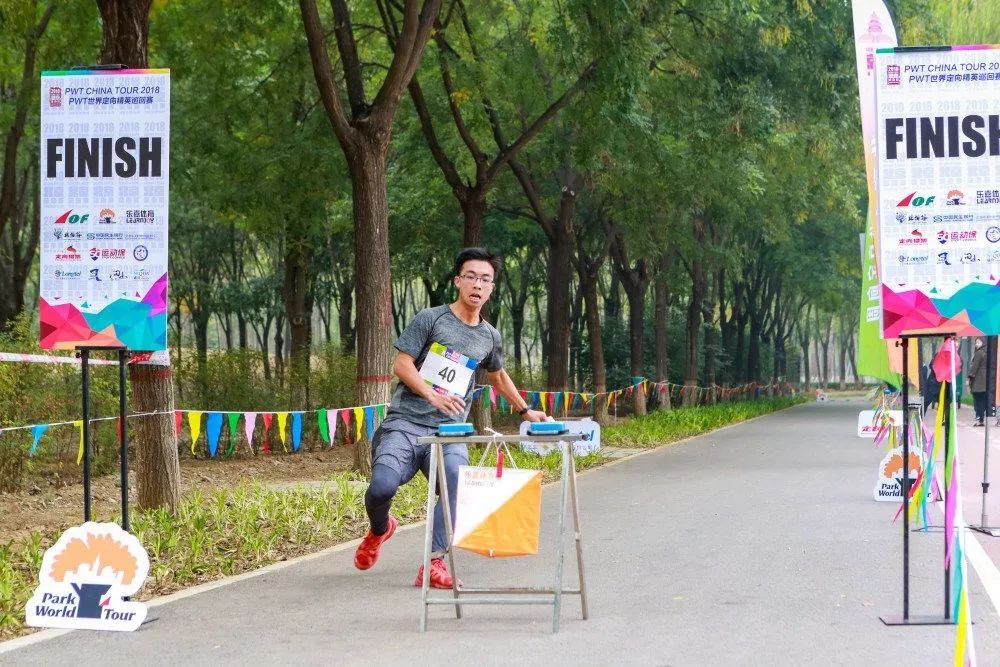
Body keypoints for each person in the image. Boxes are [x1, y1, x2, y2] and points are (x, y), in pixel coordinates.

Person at [353, 248, 549, 589]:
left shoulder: (490, 336)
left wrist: (525, 410)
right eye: (471, 276)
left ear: (491, 288)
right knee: (382, 486)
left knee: (458, 483)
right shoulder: (431, 319)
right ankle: (380, 528)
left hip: (451, 430)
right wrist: (431, 394)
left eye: (485, 279)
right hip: (406, 421)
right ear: (458, 281)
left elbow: (498, 376)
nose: (477, 284)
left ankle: (433, 562)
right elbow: (401, 364)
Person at [969, 337, 987, 426]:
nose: (976, 344)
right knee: (982, 400)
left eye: (978, 342)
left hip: (978, 381)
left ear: (983, 343)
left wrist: (969, 377)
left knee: (977, 400)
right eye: (976, 343)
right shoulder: (987, 352)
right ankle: (981, 419)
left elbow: (974, 367)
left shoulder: (979, 353)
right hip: (985, 381)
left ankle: (979, 418)